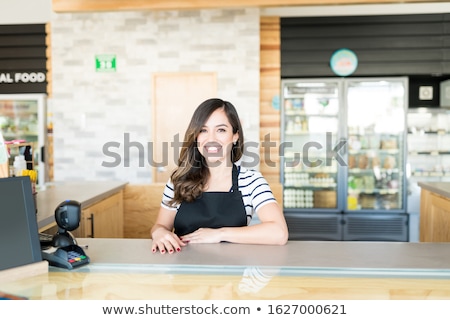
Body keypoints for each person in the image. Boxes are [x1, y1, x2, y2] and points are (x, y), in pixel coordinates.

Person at [151, 98, 288, 254]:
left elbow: (279, 233)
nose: (211, 139)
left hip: (232, 274)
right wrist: (158, 233)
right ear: (196, 136)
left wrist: (219, 234)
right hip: (184, 273)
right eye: (203, 130)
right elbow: (161, 226)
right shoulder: (178, 180)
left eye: (221, 130)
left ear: (235, 136)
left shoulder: (251, 181)